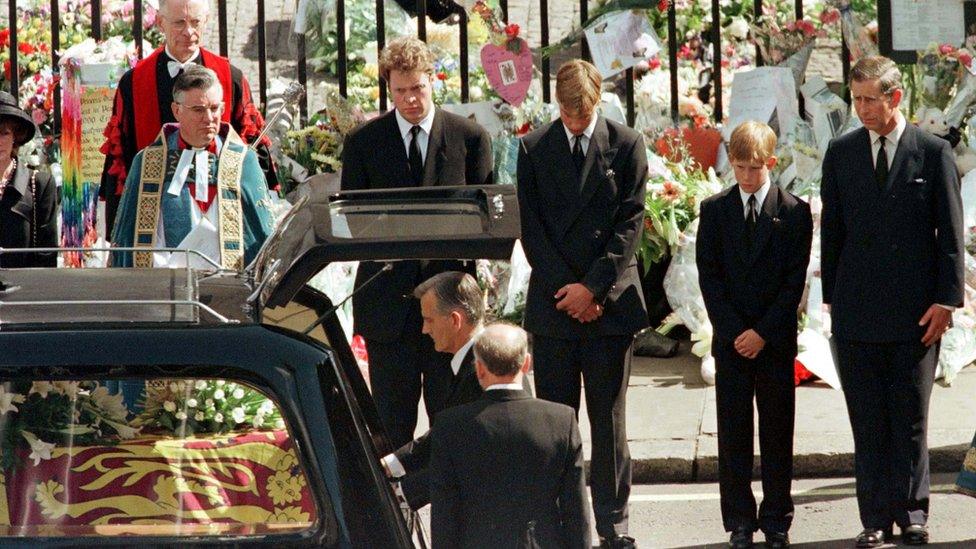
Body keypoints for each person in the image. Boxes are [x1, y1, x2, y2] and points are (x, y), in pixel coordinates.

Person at [821, 55, 965, 548]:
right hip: (857, 311)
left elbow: (950, 233)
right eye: (855, 99)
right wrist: (831, 305)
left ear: (895, 97)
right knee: (867, 420)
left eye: (869, 99)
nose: (860, 108)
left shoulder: (931, 152)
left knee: (909, 418)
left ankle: (913, 512)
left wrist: (946, 301)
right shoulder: (841, 153)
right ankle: (874, 519)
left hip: (916, 313)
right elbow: (833, 235)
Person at [516, 59, 647, 548]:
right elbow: (533, 230)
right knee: (555, 419)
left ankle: (615, 520)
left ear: (597, 101)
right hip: (556, 304)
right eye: (567, 114)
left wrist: (593, 289)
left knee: (609, 419)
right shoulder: (533, 148)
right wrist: (569, 293)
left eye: (583, 113)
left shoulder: (627, 143)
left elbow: (630, 223)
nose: (575, 122)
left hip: (609, 304)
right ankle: (560, 517)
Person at [340, 36, 493, 449]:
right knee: (390, 432)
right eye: (400, 91)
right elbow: (353, 224)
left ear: (433, 81)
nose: (410, 99)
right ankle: (396, 512)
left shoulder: (470, 139)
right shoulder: (363, 144)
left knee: (454, 427)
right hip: (388, 307)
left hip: (450, 311)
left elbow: (486, 221)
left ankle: (453, 511)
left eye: (418, 88)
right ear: (389, 88)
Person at [697, 121, 813, 549]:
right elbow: (709, 280)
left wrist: (762, 332)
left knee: (778, 431)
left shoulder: (794, 212)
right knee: (734, 433)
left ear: (772, 163)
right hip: (731, 341)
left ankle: (777, 517)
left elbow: (793, 283)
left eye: (754, 168)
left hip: (773, 340)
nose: (746, 177)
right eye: (739, 167)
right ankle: (740, 519)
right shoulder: (715, 210)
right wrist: (735, 331)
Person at [100, 0, 274, 241]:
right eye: (180, 22)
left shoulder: (231, 78)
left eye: (195, 22)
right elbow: (121, 160)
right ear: (160, 22)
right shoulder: (134, 82)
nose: (189, 32)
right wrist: (118, 235)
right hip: (155, 223)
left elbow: (251, 155)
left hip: (222, 218)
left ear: (207, 22)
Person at [429, 323, 590, 549]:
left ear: (479, 369)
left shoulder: (450, 425)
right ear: (526, 364)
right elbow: (576, 510)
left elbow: (445, 514)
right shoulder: (561, 420)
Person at [111, 65, 275, 270]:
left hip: (228, 287)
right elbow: (129, 239)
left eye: (215, 108)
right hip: (165, 284)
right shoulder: (148, 162)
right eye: (198, 109)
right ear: (176, 110)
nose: (208, 118)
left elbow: (262, 236)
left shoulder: (244, 161)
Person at [380, 271, 485, 509]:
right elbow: (447, 430)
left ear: (455, 320)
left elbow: (464, 455)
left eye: (429, 320)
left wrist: (401, 495)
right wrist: (391, 464)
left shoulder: (480, 373)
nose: (424, 330)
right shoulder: (471, 362)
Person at [0, 91, 58, 268]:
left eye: (4, 133)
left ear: (15, 137)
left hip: (24, 291)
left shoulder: (40, 184)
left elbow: (47, 255)